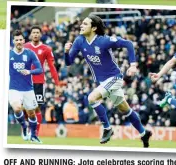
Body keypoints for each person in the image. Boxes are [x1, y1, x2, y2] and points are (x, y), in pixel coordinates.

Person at [64, 14, 152, 148]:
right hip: (103, 82)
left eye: (85, 24)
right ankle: (143, 133)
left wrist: (133, 65)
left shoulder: (104, 41)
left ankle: (107, 128)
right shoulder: (79, 41)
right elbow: (68, 62)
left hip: (114, 78)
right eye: (82, 23)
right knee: (125, 109)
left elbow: (128, 43)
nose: (81, 25)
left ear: (93, 28)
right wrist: (66, 52)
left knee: (92, 98)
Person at [24, 25, 60, 136]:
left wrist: (57, 84)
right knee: (24, 108)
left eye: (37, 32)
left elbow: (52, 67)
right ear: (30, 35)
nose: (35, 34)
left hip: (39, 82)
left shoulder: (46, 49)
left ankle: (35, 133)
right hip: (25, 82)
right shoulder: (25, 47)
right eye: (33, 32)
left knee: (37, 107)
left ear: (41, 34)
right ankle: (28, 128)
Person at [9, 29, 43, 143]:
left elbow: (40, 69)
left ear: (24, 40)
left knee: (32, 114)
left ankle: (33, 135)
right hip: (13, 88)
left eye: (20, 39)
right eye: (16, 40)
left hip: (28, 89)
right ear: (13, 41)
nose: (19, 41)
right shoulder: (9, 54)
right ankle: (24, 127)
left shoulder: (30, 53)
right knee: (17, 108)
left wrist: (29, 72)